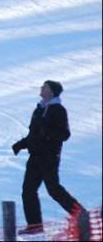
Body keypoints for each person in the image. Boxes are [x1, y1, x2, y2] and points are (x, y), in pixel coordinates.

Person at [12, 80, 86, 236]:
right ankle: (35, 226)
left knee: (54, 190)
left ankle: (81, 216)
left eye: (44, 87)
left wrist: (44, 128)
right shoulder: (39, 109)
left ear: (51, 92)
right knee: (28, 191)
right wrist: (22, 144)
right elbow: (34, 133)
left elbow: (64, 135)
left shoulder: (58, 110)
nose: (41, 88)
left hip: (49, 157)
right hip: (35, 157)